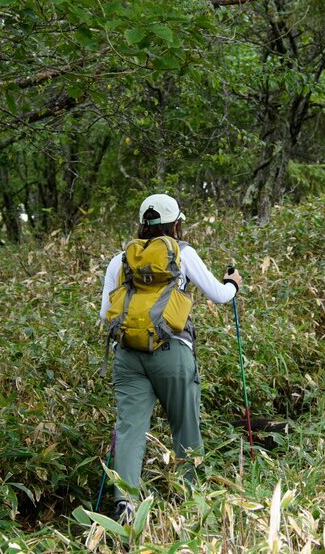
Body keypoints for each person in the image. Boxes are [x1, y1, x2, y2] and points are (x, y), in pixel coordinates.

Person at [99, 193, 242, 523]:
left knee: (130, 430)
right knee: (185, 428)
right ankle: (192, 506)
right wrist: (232, 284)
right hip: (173, 352)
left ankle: (126, 505)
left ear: (142, 223)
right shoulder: (183, 253)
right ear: (175, 224)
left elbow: (106, 313)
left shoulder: (120, 261)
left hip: (128, 356)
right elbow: (220, 296)